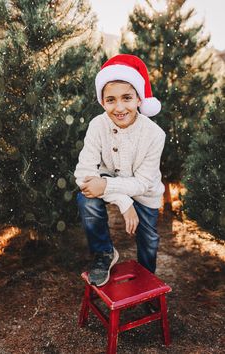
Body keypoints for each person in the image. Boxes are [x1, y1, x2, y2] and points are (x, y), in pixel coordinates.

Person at [74, 54, 166, 287]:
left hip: (145, 191)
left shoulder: (155, 135)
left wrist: (107, 187)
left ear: (138, 99)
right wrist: (123, 202)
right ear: (102, 102)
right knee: (85, 198)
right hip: (110, 180)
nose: (119, 107)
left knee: (149, 240)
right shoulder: (97, 125)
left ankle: (147, 278)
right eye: (111, 100)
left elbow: (143, 182)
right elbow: (83, 174)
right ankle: (104, 253)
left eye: (127, 98)